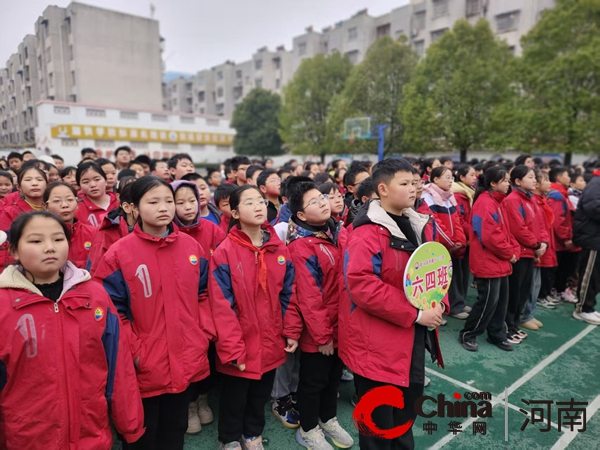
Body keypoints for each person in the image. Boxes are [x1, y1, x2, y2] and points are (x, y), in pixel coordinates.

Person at [0, 211, 145, 449]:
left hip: (91, 430)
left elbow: (117, 364)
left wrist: (129, 422)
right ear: (14, 251)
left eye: (58, 239)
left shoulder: (95, 295)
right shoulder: (3, 304)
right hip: (27, 436)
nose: (49, 248)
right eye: (36, 241)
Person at [93, 176, 212, 450]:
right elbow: (111, 311)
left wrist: (201, 333)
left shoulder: (192, 248)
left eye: (168, 201)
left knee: (175, 429)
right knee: (142, 434)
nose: (164, 208)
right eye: (153, 201)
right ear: (133, 207)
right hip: (143, 366)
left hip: (185, 355)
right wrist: (135, 351)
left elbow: (204, 294)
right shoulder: (119, 253)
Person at [341, 158, 447, 450]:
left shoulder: (419, 223)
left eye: (415, 183)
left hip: (410, 337)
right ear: (383, 189)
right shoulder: (366, 232)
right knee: (377, 423)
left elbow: (435, 270)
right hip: (376, 344)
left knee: (404, 413)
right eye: (405, 184)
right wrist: (415, 313)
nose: (413, 189)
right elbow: (361, 286)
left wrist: (437, 304)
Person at [208, 185, 302, 450]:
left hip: (271, 339)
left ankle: (252, 434)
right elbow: (220, 305)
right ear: (235, 213)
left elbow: (289, 294)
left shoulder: (278, 249)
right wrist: (232, 348)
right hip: (240, 342)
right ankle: (229, 438)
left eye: (261, 201)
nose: (259, 206)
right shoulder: (225, 252)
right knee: (234, 397)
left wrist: (291, 330)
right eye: (250, 203)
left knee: (259, 394)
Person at [287, 181, 353, 450]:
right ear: (301, 215)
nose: (323, 202)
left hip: (343, 325)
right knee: (313, 382)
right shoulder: (301, 246)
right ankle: (308, 429)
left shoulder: (339, 231)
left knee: (333, 378)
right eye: (313, 201)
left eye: (322, 197)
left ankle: (328, 419)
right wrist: (323, 336)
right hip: (319, 332)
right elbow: (309, 297)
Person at [171, 180, 226, 434]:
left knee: (210, 355)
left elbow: (224, 262)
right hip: (182, 306)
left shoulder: (211, 229)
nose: (187, 207)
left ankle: (204, 398)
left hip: (212, 302)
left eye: (191, 200)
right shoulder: (169, 232)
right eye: (179, 202)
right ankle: (190, 404)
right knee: (188, 357)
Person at [460, 166, 518, 352]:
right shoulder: (485, 203)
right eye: (505, 180)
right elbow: (490, 236)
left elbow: (505, 232)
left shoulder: (498, 201)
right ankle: (469, 333)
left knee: (501, 301)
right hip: (489, 262)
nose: (509, 184)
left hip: (499, 261)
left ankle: (497, 334)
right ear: (493, 183)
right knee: (487, 302)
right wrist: (509, 253)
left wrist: (512, 249)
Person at [502, 165, 549, 344]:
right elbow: (518, 228)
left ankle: (515, 324)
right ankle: (508, 326)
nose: (535, 180)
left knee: (523, 291)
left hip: (531, 252)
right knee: (514, 292)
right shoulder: (513, 200)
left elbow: (541, 224)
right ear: (518, 181)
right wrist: (536, 244)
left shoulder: (532, 200)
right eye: (530, 177)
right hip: (520, 253)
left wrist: (542, 243)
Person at [418, 166, 468, 318]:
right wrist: (450, 243)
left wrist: (460, 240)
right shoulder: (428, 197)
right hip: (441, 246)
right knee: (442, 279)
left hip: (453, 245)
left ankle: (458, 304)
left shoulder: (450, 196)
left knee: (456, 276)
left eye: (451, 177)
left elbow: (457, 220)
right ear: (435, 179)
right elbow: (436, 224)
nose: (450, 180)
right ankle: (448, 308)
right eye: (446, 177)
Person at [524, 170, 558, 328]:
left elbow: (544, 227)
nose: (550, 183)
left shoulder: (541, 201)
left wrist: (544, 244)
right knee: (530, 284)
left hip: (540, 247)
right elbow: (530, 228)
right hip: (533, 248)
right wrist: (536, 246)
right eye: (546, 180)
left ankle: (530, 313)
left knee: (536, 283)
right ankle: (524, 316)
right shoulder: (532, 201)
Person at [0, 166, 48, 270]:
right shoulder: (10, 211)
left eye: (39, 179)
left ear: (47, 185)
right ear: (18, 187)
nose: (34, 183)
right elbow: (5, 247)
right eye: (28, 180)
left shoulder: (54, 208)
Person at [43, 182, 97, 269]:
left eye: (70, 200)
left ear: (77, 204)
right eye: (57, 201)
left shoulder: (94, 233)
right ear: (45, 206)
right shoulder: (39, 235)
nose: (65, 205)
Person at [88, 181, 136, 275]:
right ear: (127, 207)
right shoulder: (108, 230)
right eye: (151, 203)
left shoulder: (163, 229)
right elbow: (96, 272)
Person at [573, 167, 600, 325]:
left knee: (596, 276)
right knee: (589, 275)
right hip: (591, 236)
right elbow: (594, 208)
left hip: (595, 237)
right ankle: (583, 308)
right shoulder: (596, 184)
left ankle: (589, 306)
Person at [548, 166, 579, 303]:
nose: (569, 178)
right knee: (560, 269)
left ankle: (558, 289)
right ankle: (557, 290)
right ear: (559, 178)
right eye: (567, 175)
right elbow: (557, 220)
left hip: (560, 241)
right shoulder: (557, 195)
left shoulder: (562, 194)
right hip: (558, 242)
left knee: (563, 269)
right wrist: (566, 238)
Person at [451, 164, 477, 316]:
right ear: (461, 177)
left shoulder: (469, 193)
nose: (475, 178)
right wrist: (471, 233)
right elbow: (460, 220)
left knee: (463, 274)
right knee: (456, 275)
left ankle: (460, 302)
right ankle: (455, 305)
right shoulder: (458, 195)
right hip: (460, 240)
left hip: (467, 240)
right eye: (471, 175)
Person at [74, 162, 119, 227]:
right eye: (85, 182)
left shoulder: (120, 202)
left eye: (97, 179)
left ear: (106, 181)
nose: (93, 185)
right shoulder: (77, 210)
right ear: (80, 186)